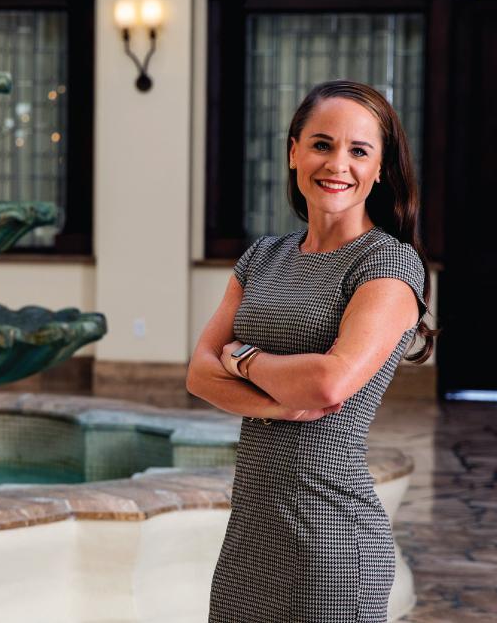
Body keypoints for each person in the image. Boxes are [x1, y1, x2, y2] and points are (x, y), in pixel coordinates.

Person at [186, 79, 440, 622]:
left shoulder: (388, 265)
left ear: (379, 169)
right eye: (322, 144)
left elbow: (329, 384)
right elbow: (198, 375)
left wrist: (244, 358)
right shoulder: (264, 256)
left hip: (332, 538)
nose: (337, 164)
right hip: (251, 533)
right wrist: (280, 404)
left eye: (359, 150)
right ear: (293, 151)